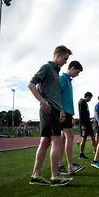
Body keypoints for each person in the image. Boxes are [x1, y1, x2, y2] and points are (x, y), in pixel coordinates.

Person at [28, 45, 73, 186]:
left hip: (54, 109)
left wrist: (60, 109)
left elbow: (56, 94)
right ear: (58, 55)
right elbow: (31, 84)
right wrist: (43, 102)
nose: (66, 62)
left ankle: (36, 176)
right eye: (65, 58)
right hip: (48, 109)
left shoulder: (56, 73)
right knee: (56, 140)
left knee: (45, 142)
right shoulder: (47, 67)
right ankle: (55, 177)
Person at [58, 61, 85, 176]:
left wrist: (71, 114)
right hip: (63, 112)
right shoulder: (63, 78)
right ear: (72, 68)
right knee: (70, 136)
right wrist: (61, 110)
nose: (77, 74)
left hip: (67, 112)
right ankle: (70, 165)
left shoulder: (68, 80)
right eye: (77, 72)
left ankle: (59, 165)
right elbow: (58, 94)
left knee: (63, 139)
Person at [78, 92, 97, 159]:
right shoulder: (81, 102)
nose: (90, 99)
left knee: (93, 136)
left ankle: (96, 151)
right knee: (84, 138)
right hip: (84, 125)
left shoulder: (85, 103)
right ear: (87, 97)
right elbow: (81, 114)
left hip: (88, 124)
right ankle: (81, 154)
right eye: (90, 98)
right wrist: (82, 124)